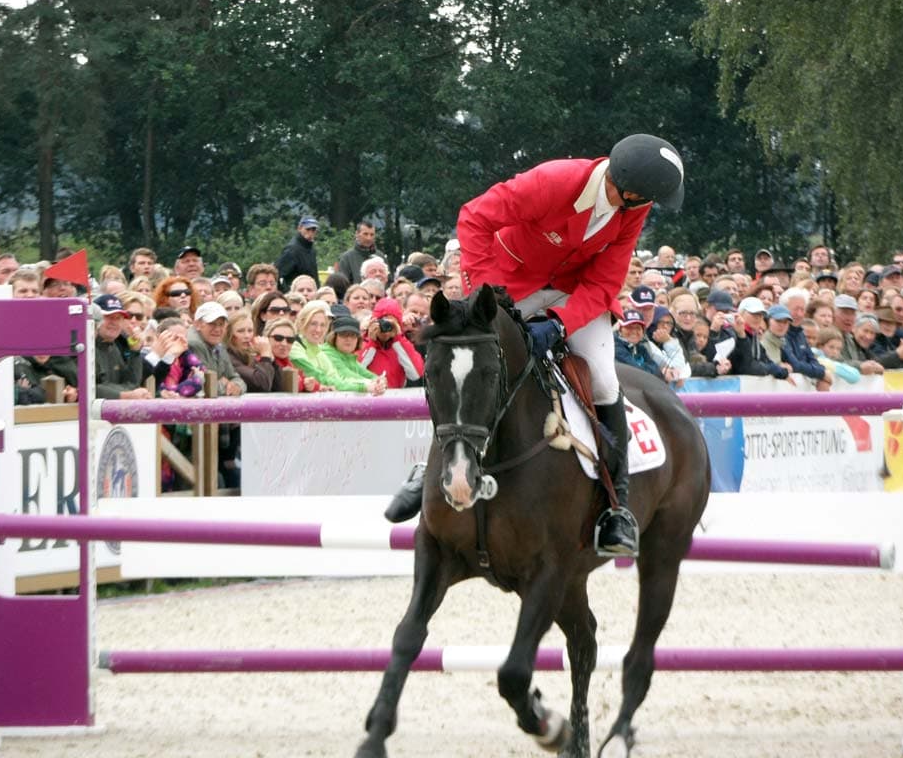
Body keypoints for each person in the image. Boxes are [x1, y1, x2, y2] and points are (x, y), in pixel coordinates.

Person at [385, 133, 686, 558]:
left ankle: (617, 507)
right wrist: (493, 296)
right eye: (646, 198)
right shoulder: (553, 181)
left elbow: (604, 280)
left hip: (574, 294)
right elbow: (474, 218)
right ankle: (429, 471)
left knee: (602, 382)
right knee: (473, 364)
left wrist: (560, 325)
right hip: (510, 285)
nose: (648, 206)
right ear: (629, 189)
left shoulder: (634, 207)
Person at [289, 301, 386, 394]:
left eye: (323, 325)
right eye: (313, 324)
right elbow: (322, 379)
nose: (318, 330)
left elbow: (337, 378)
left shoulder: (319, 351)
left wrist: (376, 381)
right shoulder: (295, 349)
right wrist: (365, 386)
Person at [359, 298, 425, 389]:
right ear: (374, 322)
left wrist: (398, 337)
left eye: (391, 324)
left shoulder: (402, 346)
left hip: (395, 400)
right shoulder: (363, 343)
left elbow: (416, 374)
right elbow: (355, 371)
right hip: (369, 400)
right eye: (383, 322)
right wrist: (371, 341)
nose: (386, 329)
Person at [224, 310, 280, 393]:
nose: (247, 336)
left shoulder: (250, 356)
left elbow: (279, 387)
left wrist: (272, 361)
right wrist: (265, 356)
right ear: (229, 334)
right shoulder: (228, 357)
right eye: (241, 331)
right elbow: (262, 385)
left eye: (250, 331)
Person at [264, 317, 321, 392]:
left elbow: (307, 381)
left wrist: (311, 384)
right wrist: (303, 384)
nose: (284, 344)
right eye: (278, 338)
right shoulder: (263, 361)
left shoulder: (288, 363)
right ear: (266, 338)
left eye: (290, 340)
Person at [276, 216, 320, 290]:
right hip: (295, 295)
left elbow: (313, 275)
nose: (310, 232)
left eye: (313, 230)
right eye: (308, 229)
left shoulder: (311, 249)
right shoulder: (292, 250)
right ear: (299, 228)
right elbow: (276, 274)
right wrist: (286, 292)